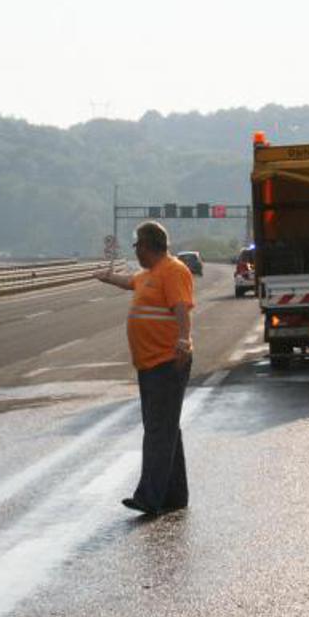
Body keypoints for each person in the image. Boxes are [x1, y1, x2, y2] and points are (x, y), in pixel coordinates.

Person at [94, 221, 196, 516]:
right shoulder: (149, 274)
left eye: (137, 244)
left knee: (157, 431)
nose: (135, 249)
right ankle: (176, 495)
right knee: (166, 429)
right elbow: (130, 282)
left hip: (167, 361)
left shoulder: (173, 270)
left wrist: (183, 339)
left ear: (149, 245)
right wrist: (108, 277)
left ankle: (149, 497)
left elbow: (181, 308)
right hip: (150, 363)